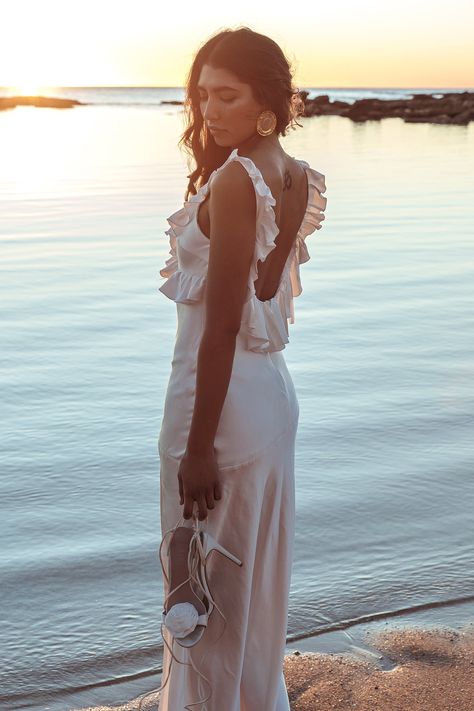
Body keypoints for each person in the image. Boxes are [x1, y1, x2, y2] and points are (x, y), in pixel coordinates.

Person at [144, 25, 327, 711]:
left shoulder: (231, 180)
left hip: (215, 413)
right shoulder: (296, 173)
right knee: (248, 592)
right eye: (202, 97)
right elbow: (262, 300)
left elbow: (222, 323)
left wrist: (197, 446)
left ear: (268, 104)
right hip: (270, 399)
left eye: (226, 95)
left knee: (203, 599)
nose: (209, 112)